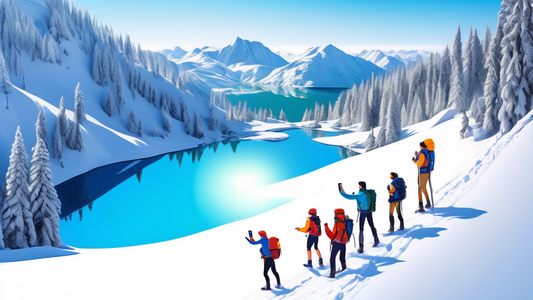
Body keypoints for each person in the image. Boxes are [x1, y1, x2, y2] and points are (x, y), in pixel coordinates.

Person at [338, 181, 379, 253]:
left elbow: (348, 196)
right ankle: (376, 239)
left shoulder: (360, 195)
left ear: (361, 186)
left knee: (361, 229)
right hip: (369, 212)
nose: (358, 187)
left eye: (359, 185)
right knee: (372, 226)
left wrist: (340, 191)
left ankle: (361, 247)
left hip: (363, 213)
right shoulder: (366, 193)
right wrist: (342, 188)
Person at [324, 208, 348, 278]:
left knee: (332, 258)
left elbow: (332, 236)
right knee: (342, 257)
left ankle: (332, 274)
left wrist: (326, 227)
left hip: (337, 243)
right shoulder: (345, 222)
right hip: (344, 243)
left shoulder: (337, 223)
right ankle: (344, 269)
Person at [412, 141, 431, 212]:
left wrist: (415, 161)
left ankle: (421, 206)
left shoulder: (422, 153)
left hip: (423, 172)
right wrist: (417, 155)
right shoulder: (426, 152)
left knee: (420, 189)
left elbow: (420, 163)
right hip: (426, 172)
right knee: (423, 188)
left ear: (421, 146)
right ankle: (428, 202)